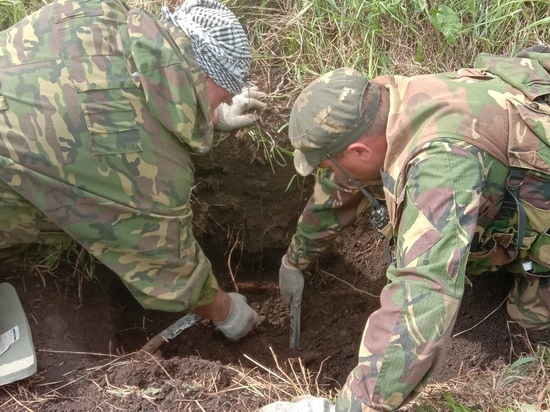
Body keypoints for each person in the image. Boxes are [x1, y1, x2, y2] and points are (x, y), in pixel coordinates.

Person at [270, 46, 550, 411]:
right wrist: (295, 260)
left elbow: (425, 291)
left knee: (527, 341)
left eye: (327, 163)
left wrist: (346, 408)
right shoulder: (387, 102)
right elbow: (340, 187)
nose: (329, 172)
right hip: (510, 190)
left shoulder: (440, 164)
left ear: (358, 151)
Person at [0, 0, 266, 341]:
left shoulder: (100, 12)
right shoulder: (137, 157)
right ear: (203, 78)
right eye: (222, 97)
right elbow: (171, 271)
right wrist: (227, 313)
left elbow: (134, 89)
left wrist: (210, 117)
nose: (224, 104)